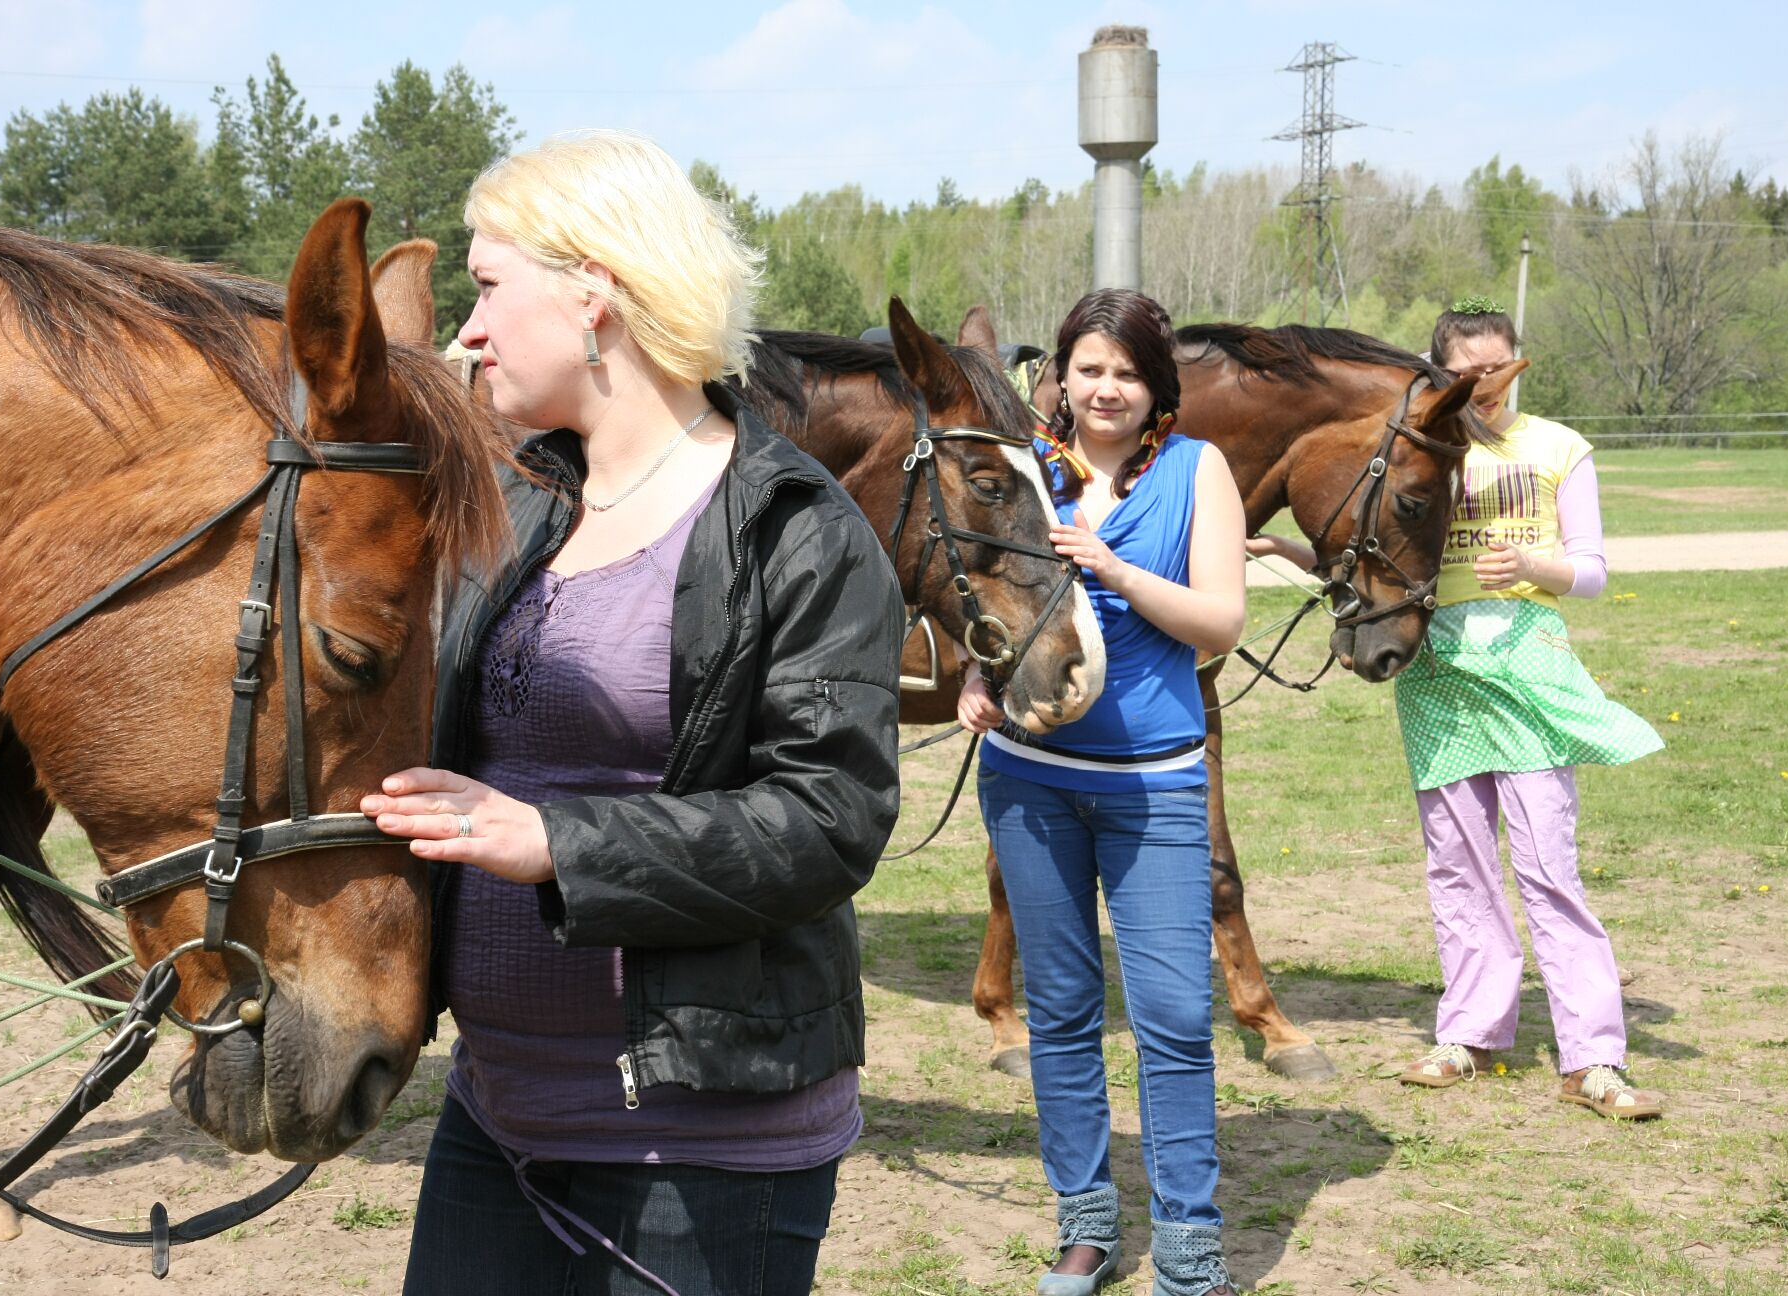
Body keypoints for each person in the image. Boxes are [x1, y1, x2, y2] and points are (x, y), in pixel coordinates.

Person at [357, 129, 903, 1295]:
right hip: (493, 1120)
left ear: (594, 294)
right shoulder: (516, 501)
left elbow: (830, 818)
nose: (470, 329)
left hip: (703, 1152)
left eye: (491, 288)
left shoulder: (792, 530)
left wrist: (556, 841)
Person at [1254, 297, 1664, 1119]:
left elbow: (1593, 571)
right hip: (1436, 670)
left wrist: (1539, 566)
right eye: (1468, 372)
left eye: (1498, 368)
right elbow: (1383, 554)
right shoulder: (1422, 444)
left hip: (1526, 663)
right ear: (1442, 373)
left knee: (1550, 866)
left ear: (1517, 363)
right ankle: (1469, 1034)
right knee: (1456, 862)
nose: (1486, 384)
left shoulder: (1555, 448)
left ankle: (1594, 1057)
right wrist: (1296, 553)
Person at [958, 289, 1246, 1296]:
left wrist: (1114, 570)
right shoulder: (1031, 469)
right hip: (1031, 785)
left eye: (1126, 371)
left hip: (1155, 789)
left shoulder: (1198, 472)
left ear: (1155, 384)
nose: (1107, 388)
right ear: (1064, 380)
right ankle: (1085, 1227)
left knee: (1171, 1017)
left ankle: (1191, 1242)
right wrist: (974, 677)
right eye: (1089, 369)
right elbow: (988, 596)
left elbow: (1219, 625)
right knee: (1067, 1011)